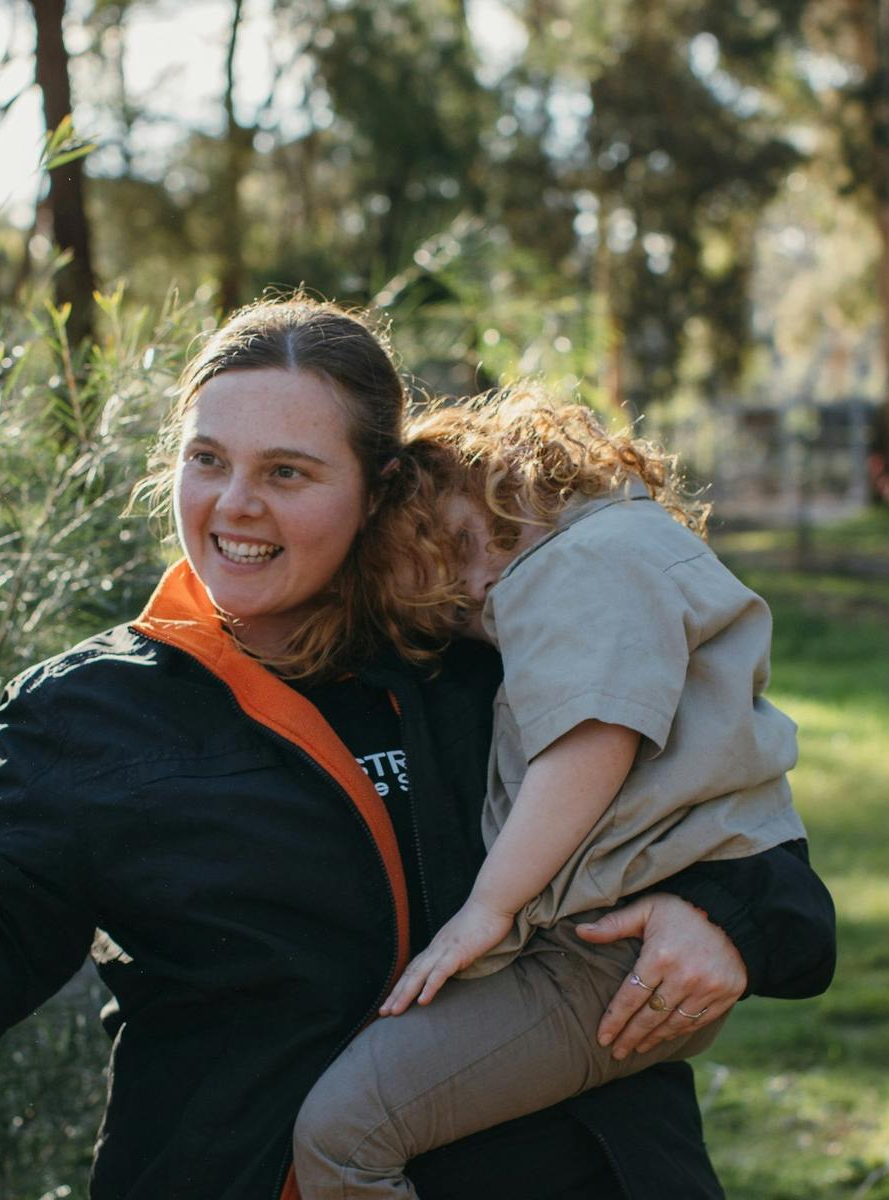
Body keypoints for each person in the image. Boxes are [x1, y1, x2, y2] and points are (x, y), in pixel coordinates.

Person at [0, 298, 835, 1199]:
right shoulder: (97, 715)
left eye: (287, 472)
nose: (234, 506)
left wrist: (724, 917)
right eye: (208, 462)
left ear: (375, 489)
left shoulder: (481, 651)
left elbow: (733, 815)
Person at [290, 388, 811, 1199]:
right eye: (450, 605)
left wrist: (489, 909)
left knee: (344, 1135)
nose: (480, 586)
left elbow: (590, 744)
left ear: (509, 474)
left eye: (465, 544)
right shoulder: (629, 546)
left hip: (600, 956)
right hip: (629, 946)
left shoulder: (578, 562)